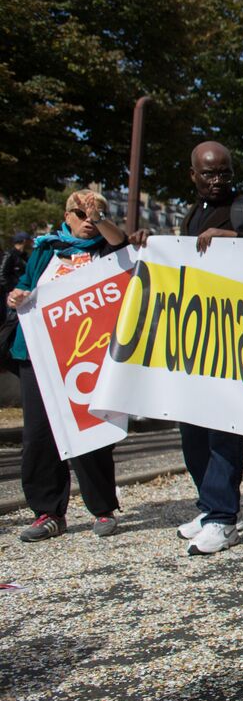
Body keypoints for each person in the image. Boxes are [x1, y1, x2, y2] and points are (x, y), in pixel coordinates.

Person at [130, 141, 243, 555]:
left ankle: (223, 517)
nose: (217, 181)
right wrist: (149, 243)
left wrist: (231, 237)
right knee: (192, 429)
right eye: (209, 174)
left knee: (223, 431)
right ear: (192, 175)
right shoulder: (191, 215)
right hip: (195, 340)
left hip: (234, 338)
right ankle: (209, 503)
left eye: (224, 173)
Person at [7, 191, 126, 541]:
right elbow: (24, 288)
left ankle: (102, 508)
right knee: (39, 437)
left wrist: (102, 217)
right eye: (81, 212)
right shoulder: (45, 249)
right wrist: (16, 296)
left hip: (86, 357)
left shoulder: (106, 249)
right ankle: (48, 512)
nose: (88, 218)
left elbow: (121, 246)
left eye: (96, 212)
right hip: (38, 356)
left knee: (90, 431)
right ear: (66, 215)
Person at [1, 232, 31, 303]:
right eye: (30, 241)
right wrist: (13, 290)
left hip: (25, 292)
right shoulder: (9, 255)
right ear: (24, 241)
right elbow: (2, 275)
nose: (31, 243)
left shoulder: (25, 256)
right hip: (14, 295)